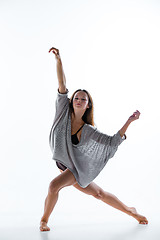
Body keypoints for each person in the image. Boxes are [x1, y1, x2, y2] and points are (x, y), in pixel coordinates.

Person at [40, 47, 148, 231]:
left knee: (53, 186)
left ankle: (43, 221)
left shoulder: (89, 130)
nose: (79, 100)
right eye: (76, 97)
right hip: (65, 166)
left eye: (83, 99)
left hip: (73, 169)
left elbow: (113, 141)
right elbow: (62, 83)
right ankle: (131, 211)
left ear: (88, 105)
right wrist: (58, 60)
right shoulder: (62, 111)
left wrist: (129, 121)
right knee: (98, 193)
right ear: (71, 100)